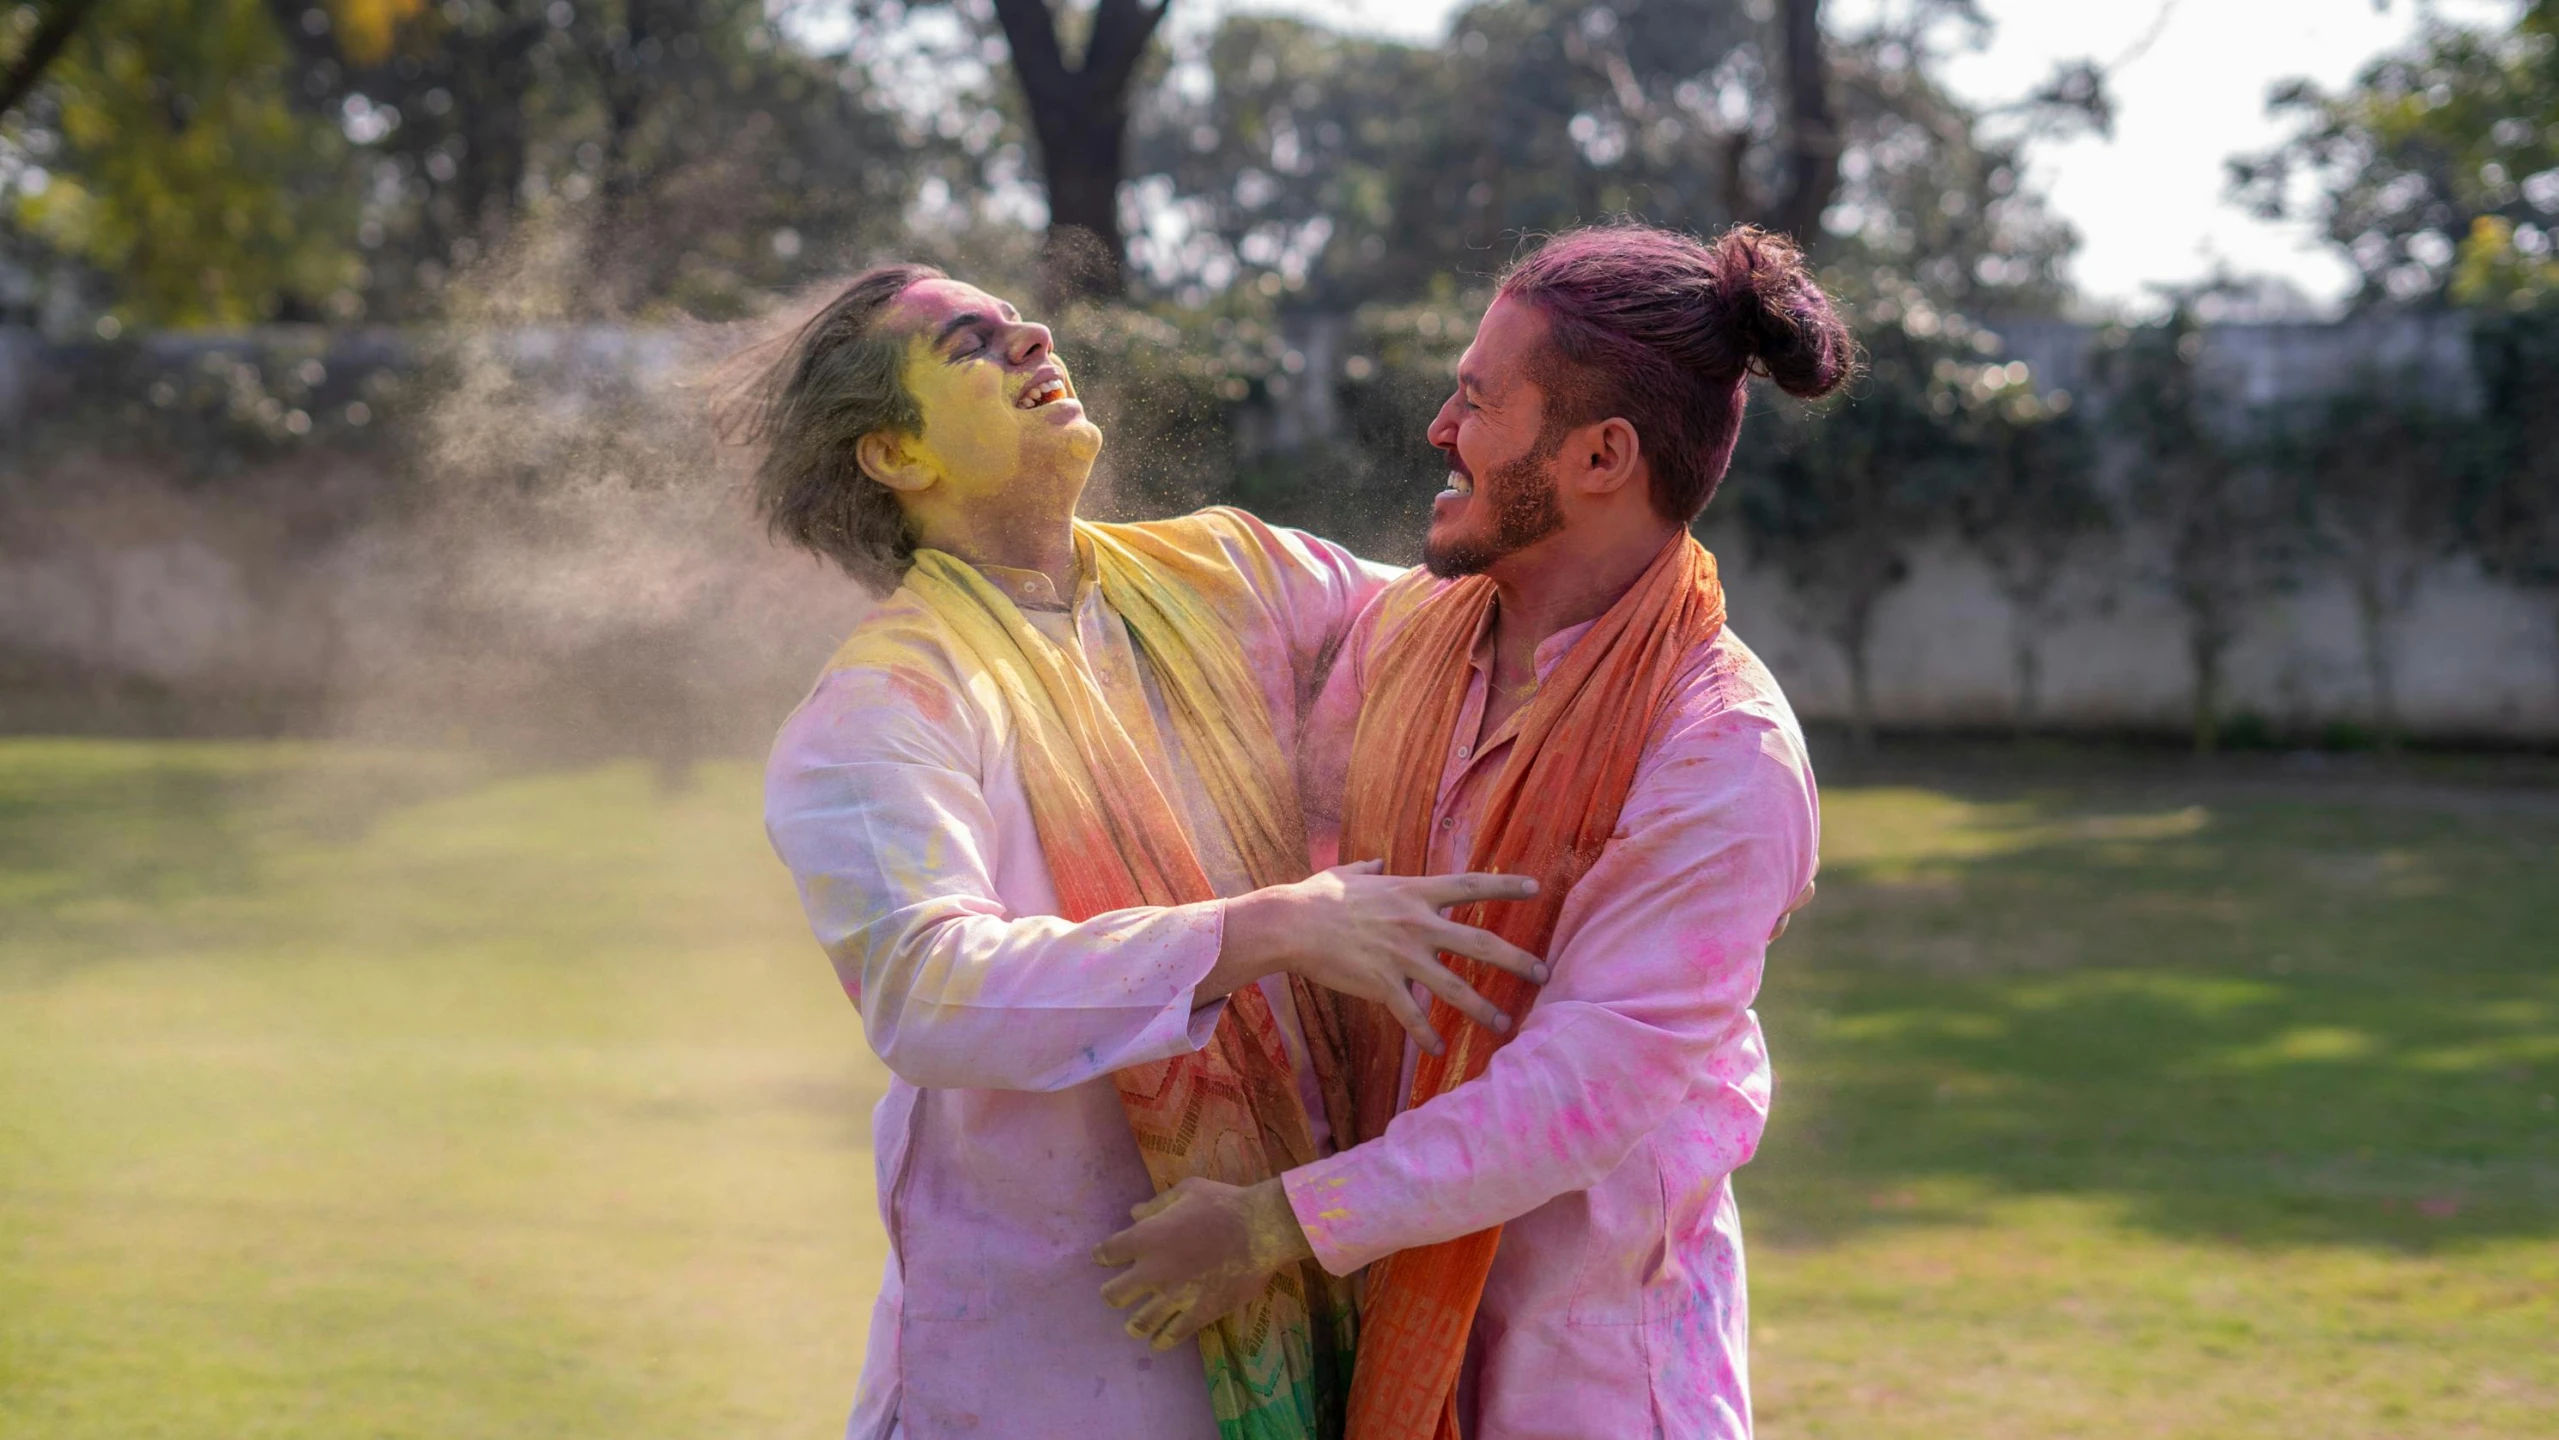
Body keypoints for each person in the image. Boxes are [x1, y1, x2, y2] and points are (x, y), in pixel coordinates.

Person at [750, 263, 1548, 1440]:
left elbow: (1471, 631)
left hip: (1287, 1278)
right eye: (970, 341)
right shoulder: (881, 707)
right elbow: (926, 991)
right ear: (896, 456)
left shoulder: (1229, 575)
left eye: (1016, 314)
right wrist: (1264, 929)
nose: (1029, 334)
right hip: (1044, 1351)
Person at [1094, 223, 1848, 1440]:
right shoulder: (1411, 639)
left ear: (1603, 454)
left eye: (1478, 400)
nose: (1441, 428)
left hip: (1588, 1374)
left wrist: (1272, 1225)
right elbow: (1280, 785)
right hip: (1367, 1324)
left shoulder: (1720, 757)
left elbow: (1585, 1089)